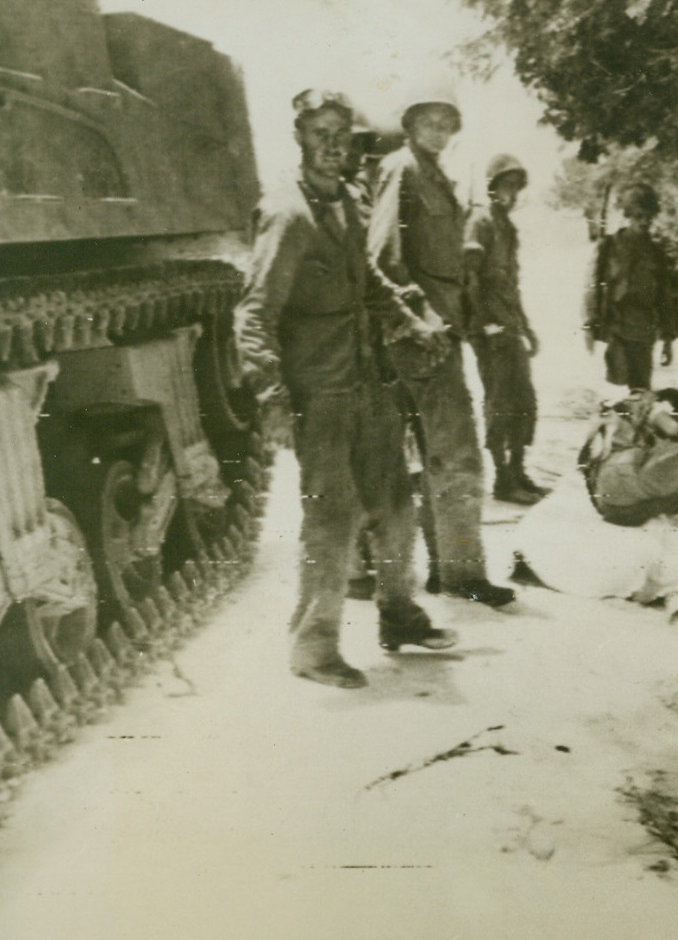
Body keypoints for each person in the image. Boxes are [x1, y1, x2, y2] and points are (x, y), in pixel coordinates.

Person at [233, 89, 456, 689]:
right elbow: (254, 314)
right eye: (320, 133)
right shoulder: (288, 214)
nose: (333, 146)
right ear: (301, 137)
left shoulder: (352, 203)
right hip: (321, 391)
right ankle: (314, 649)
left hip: (366, 381)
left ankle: (400, 616)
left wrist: (410, 320)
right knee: (331, 520)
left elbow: (372, 279)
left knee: (395, 506)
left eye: (342, 135)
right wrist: (272, 399)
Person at [367, 78, 515, 608]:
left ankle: (446, 570)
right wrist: (422, 319)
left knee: (435, 455)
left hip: (439, 330)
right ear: (409, 124)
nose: (440, 129)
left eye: (446, 121)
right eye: (428, 120)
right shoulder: (400, 170)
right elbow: (384, 256)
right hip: (418, 335)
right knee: (455, 454)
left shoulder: (435, 176)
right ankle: (460, 574)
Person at [464, 153, 546, 505]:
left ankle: (518, 471)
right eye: (505, 186)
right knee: (499, 404)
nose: (510, 193)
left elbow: (510, 286)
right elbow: (468, 281)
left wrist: (526, 328)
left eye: (515, 187)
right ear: (492, 187)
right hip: (490, 331)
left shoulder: (507, 228)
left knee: (524, 402)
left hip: (510, 327)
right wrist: (486, 326)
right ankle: (502, 479)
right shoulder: (479, 222)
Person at [577, 387, 678, 554]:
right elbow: (673, 429)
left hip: (610, 504)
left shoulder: (614, 412)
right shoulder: (651, 403)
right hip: (624, 473)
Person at [582, 182, 678, 391]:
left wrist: (668, 339)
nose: (645, 222)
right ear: (628, 215)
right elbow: (592, 286)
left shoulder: (656, 252)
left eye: (649, 217)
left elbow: (664, 297)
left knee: (641, 391)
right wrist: (589, 326)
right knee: (616, 387)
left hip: (644, 330)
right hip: (616, 326)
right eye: (639, 216)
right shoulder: (609, 246)